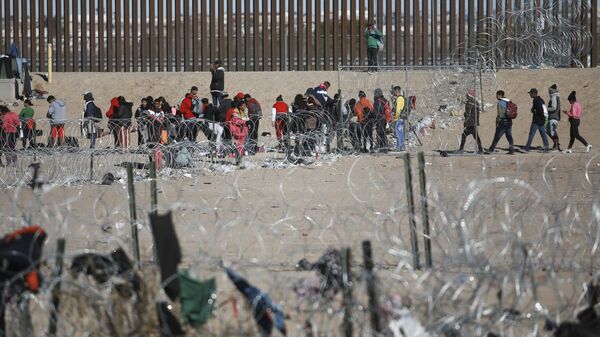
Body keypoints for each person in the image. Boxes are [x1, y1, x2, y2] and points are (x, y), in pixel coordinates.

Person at [486, 90, 515, 154]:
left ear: (500, 95)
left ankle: (491, 149)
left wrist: (498, 122)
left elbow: (501, 114)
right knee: (509, 136)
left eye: (497, 95)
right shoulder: (508, 101)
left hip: (503, 122)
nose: (496, 96)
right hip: (509, 121)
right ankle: (511, 149)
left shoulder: (501, 102)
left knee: (497, 136)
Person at [524, 88, 549, 152]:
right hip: (542, 120)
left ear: (533, 94)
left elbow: (539, 110)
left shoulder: (536, 100)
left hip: (536, 121)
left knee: (531, 134)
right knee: (543, 134)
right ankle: (546, 148)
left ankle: (527, 148)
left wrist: (534, 111)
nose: (530, 95)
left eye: (530, 93)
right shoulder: (540, 100)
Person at [546, 84, 562, 151]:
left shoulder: (554, 96)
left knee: (552, 131)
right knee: (548, 130)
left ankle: (556, 146)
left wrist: (546, 109)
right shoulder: (556, 97)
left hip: (553, 117)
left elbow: (553, 107)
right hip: (553, 117)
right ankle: (556, 144)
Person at [391, 86, 406, 151]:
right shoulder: (402, 98)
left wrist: (395, 117)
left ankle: (399, 147)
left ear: (397, 91)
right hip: (402, 118)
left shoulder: (399, 99)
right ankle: (402, 146)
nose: (394, 93)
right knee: (401, 132)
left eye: (394, 92)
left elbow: (398, 109)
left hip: (399, 118)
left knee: (398, 132)